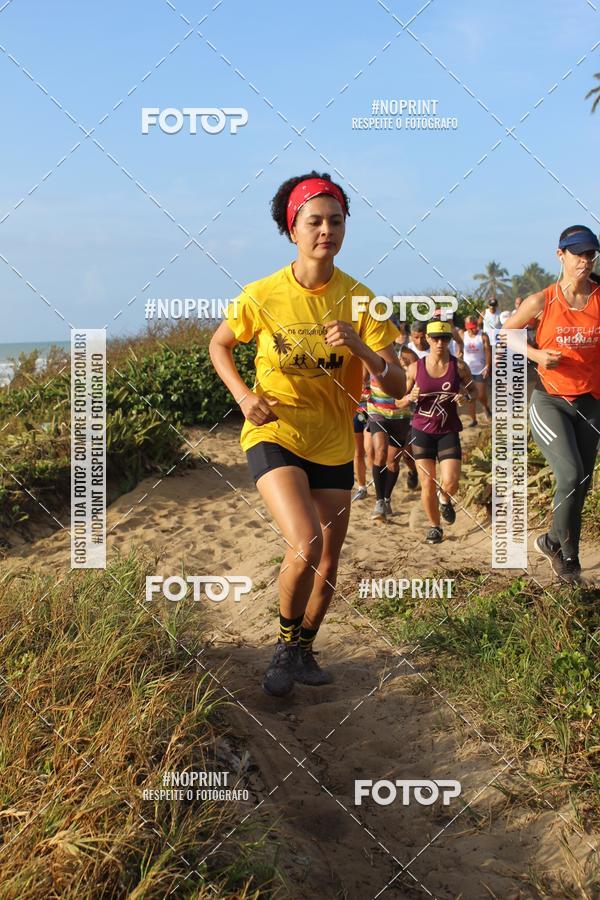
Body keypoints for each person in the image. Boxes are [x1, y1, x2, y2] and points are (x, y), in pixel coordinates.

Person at [209, 171, 404, 696]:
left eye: (335, 221)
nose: (326, 231)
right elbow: (219, 345)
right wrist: (243, 396)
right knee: (306, 541)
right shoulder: (262, 294)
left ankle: (302, 649)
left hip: (334, 442)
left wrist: (361, 349)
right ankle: (281, 647)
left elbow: (397, 381)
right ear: (292, 228)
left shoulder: (362, 301)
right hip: (275, 432)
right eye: (314, 221)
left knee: (329, 560)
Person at [503, 224, 600, 584]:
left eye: (591, 254)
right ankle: (568, 558)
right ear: (560, 255)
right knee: (571, 475)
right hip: (551, 401)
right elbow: (507, 332)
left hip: (591, 402)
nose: (585, 260)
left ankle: (551, 541)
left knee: (583, 483)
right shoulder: (542, 301)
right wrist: (537, 355)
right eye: (578, 253)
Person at [404, 320, 474, 544]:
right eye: (435, 338)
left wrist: (465, 396)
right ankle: (435, 527)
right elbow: (398, 400)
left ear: (450, 340)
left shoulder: (459, 367)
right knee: (427, 482)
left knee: (451, 481)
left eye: (444, 338)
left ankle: (444, 499)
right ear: (428, 339)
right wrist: (409, 397)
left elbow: (472, 389)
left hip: (447, 429)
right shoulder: (414, 368)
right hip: (421, 430)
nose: (440, 343)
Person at [367, 343, 413, 519]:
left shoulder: (406, 353)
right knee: (380, 452)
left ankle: (386, 498)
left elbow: (416, 375)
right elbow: (361, 377)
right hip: (377, 411)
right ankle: (379, 502)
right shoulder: (370, 351)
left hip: (401, 415)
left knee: (393, 462)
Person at [462, 316, 492, 426]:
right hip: (467, 372)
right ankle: (473, 419)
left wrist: (487, 366)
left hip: (480, 370)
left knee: (480, 395)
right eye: (470, 327)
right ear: (466, 327)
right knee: (470, 396)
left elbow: (488, 351)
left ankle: (485, 407)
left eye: (474, 327)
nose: (473, 329)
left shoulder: (483, 336)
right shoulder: (463, 335)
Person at [353, 372, 371, 501]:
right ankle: (362, 487)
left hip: (373, 413)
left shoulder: (375, 367)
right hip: (355, 413)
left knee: (371, 451)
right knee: (358, 452)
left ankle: (377, 481)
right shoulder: (352, 369)